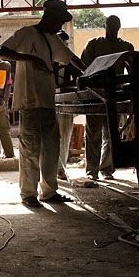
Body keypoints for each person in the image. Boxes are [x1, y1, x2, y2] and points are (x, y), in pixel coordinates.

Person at [0, 0, 87, 208]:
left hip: (47, 101)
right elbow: (3, 51)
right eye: (59, 21)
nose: (60, 26)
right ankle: (28, 194)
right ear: (49, 17)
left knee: (51, 148)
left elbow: (71, 58)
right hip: (28, 101)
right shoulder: (26, 33)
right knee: (30, 149)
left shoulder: (54, 40)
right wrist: (29, 59)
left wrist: (89, 71)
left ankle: (49, 191)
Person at [81, 15, 134, 181]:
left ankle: (107, 169)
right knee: (93, 134)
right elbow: (83, 66)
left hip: (115, 95)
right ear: (104, 25)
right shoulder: (94, 44)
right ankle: (92, 170)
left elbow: (131, 69)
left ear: (119, 26)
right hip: (96, 94)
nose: (112, 27)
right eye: (110, 24)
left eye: (115, 24)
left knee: (111, 134)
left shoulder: (126, 47)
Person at [53, 30, 79, 181]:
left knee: (64, 135)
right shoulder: (47, 60)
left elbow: (79, 78)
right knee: (50, 136)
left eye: (64, 43)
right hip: (49, 100)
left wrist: (65, 84)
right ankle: (50, 168)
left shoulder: (70, 61)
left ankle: (61, 169)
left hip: (65, 101)